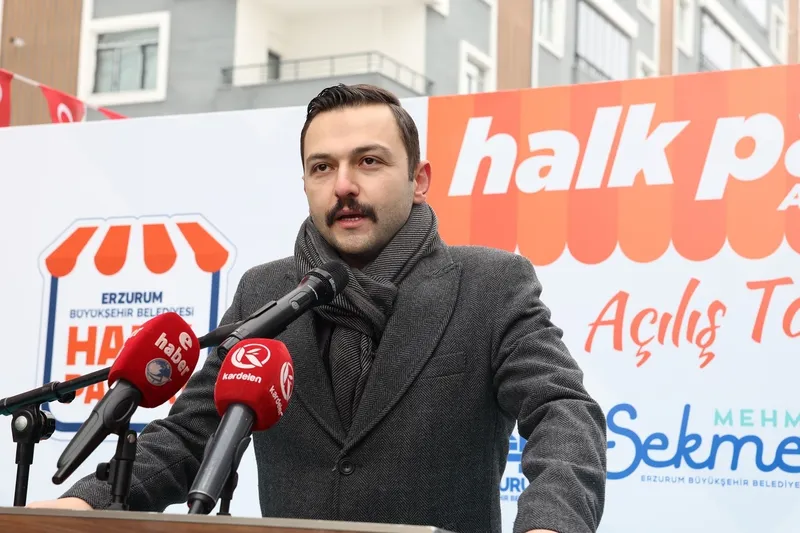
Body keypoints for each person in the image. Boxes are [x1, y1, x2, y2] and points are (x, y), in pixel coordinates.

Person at [28, 84, 607, 533]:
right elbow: (188, 436)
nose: (344, 185)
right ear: (305, 181)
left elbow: (563, 412)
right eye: (322, 167)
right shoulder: (265, 291)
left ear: (419, 179)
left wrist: (549, 523)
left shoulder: (490, 283)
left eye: (369, 162)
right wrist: (83, 504)